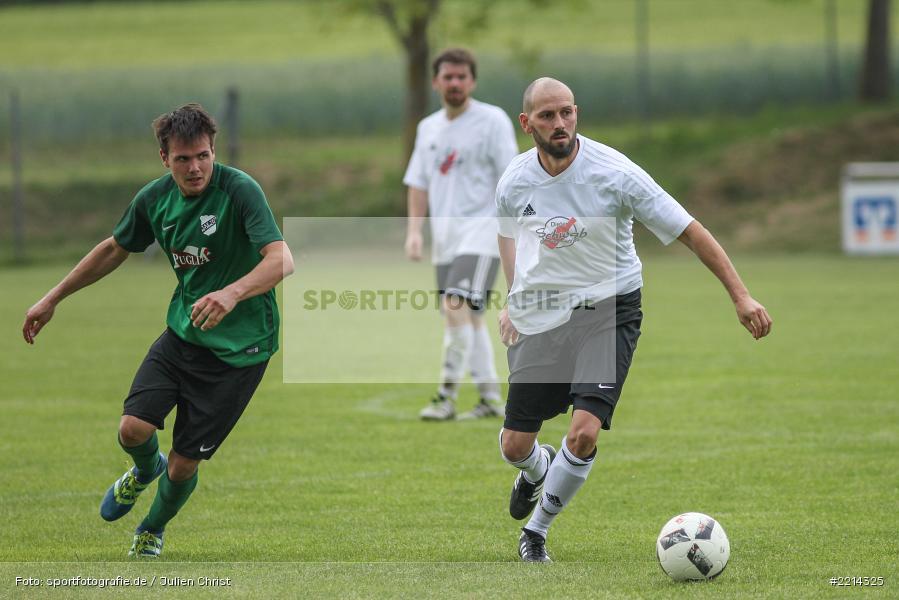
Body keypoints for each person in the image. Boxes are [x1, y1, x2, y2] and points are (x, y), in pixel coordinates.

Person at [494, 78, 772, 562]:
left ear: (576, 112)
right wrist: (513, 298)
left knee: (583, 433)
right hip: (544, 312)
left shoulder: (615, 173)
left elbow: (690, 230)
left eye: (566, 112)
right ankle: (537, 472)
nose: (559, 124)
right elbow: (507, 234)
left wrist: (741, 295)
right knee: (515, 444)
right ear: (527, 123)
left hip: (610, 308)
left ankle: (536, 532)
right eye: (547, 116)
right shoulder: (515, 180)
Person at [22, 103, 294, 558]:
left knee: (185, 464)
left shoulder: (239, 189)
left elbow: (281, 259)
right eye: (183, 159)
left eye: (203, 156)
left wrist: (232, 293)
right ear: (164, 158)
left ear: (213, 151)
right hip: (184, 335)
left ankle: (151, 528)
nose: (195, 168)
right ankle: (145, 470)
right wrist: (52, 298)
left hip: (241, 351)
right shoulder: (154, 199)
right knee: (132, 429)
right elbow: (114, 248)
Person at [403, 47, 519, 421]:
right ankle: (489, 399)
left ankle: (445, 396)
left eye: (462, 77)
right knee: (466, 316)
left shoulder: (492, 121)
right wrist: (415, 232)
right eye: (448, 77)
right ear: (436, 81)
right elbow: (418, 183)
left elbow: (511, 177)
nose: (455, 83)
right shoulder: (428, 128)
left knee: (456, 306)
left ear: (472, 81)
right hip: (447, 238)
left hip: (484, 231)